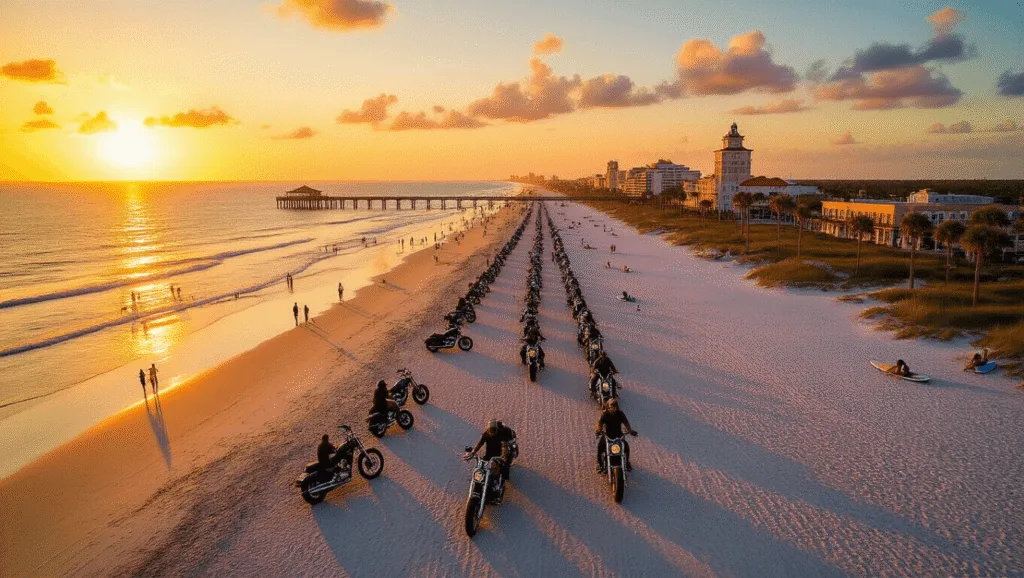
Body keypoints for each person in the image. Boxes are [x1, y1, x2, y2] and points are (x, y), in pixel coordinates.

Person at [463, 419, 515, 502]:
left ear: (496, 428)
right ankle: (479, 484)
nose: (492, 431)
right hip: (488, 456)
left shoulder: (501, 434)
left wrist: (503, 457)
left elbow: (505, 446)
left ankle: (501, 485)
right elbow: (480, 443)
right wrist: (473, 452)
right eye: (491, 430)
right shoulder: (486, 434)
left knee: (503, 469)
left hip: (499, 456)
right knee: (481, 468)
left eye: (493, 429)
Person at [595, 399, 636, 473]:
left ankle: (626, 462)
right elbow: (600, 423)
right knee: (600, 447)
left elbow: (626, 423)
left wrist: (630, 431)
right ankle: (600, 464)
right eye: (611, 407)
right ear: (608, 407)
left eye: (615, 407)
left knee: (626, 447)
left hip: (618, 436)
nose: (613, 409)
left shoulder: (620, 414)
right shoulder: (605, 414)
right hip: (607, 436)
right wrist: (598, 430)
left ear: (617, 407)